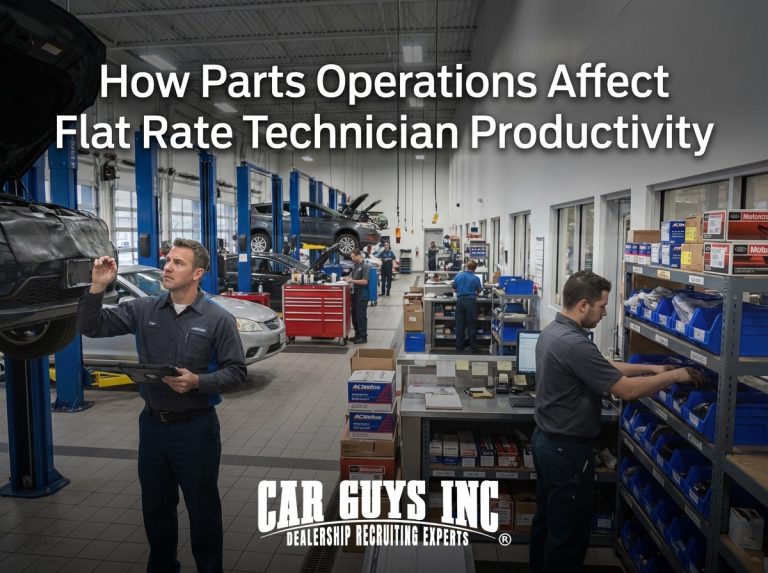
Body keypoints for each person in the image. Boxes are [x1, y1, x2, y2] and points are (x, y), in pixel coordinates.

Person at [77, 238, 247, 573]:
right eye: (167, 260)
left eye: (178, 263)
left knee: (203, 511)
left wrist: (198, 382)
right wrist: (97, 286)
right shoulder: (144, 309)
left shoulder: (217, 319)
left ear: (198, 273)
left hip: (196, 429)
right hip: (153, 427)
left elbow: (236, 372)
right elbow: (91, 326)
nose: (168, 267)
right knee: (156, 509)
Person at [530, 270, 706, 573]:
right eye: (602, 306)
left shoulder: (554, 332)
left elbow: (602, 366)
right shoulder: (575, 343)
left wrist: (651, 370)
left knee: (547, 524)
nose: (605, 312)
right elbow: (627, 391)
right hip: (567, 453)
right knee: (567, 539)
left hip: (547, 444)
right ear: (583, 305)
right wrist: (675, 375)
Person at [451, 259, 482, 353]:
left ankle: (459, 347)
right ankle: (473, 348)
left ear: (467, 266)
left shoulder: (459, 276)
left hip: (460, 302)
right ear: (475, 268)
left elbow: (454, 286)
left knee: (460, 325)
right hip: (470, 302)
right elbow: (479, 290)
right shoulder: (475, 278)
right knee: (471, 325)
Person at [344, 248, 370, 343]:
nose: (352, 258)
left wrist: (352, 281)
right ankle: (357, 334)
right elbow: (351, 277)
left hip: (362, 293)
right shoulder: (355, 266)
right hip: (355, 293)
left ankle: (363, 337)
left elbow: (365, 281)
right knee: (354, 315)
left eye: (353, 256)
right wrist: (346, 278)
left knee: (361, 315)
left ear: (358, 255)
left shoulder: (365, 266)